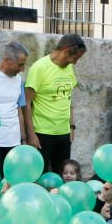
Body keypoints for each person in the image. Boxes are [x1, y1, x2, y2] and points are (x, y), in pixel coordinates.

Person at [25, 33, 87, 170]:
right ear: (65, 52)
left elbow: (68, 97)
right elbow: (27, 103)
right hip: (42, 134)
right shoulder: (39, 68)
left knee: (63, 176)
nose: (75, 62)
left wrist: (71, 126)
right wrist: (31, 135)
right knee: (39, 175)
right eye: (75, 58)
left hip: (64, 133)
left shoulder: (69, 68)